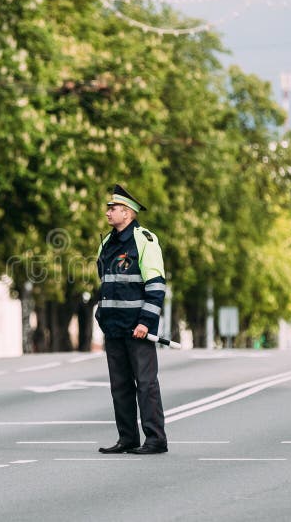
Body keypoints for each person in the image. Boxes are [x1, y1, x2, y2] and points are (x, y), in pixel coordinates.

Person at [95, 184, 168, 455]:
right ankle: (127, 438)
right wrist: (101, 315)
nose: (108, 212)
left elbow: (156, 285)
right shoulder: (106, 243)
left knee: (146, 384)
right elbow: (105, 282)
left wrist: (145, 322)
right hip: (113, 327)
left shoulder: (144, 240)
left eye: (112, 208)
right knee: (120, 386)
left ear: (127, 213)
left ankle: (156, 439)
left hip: (138, 328)